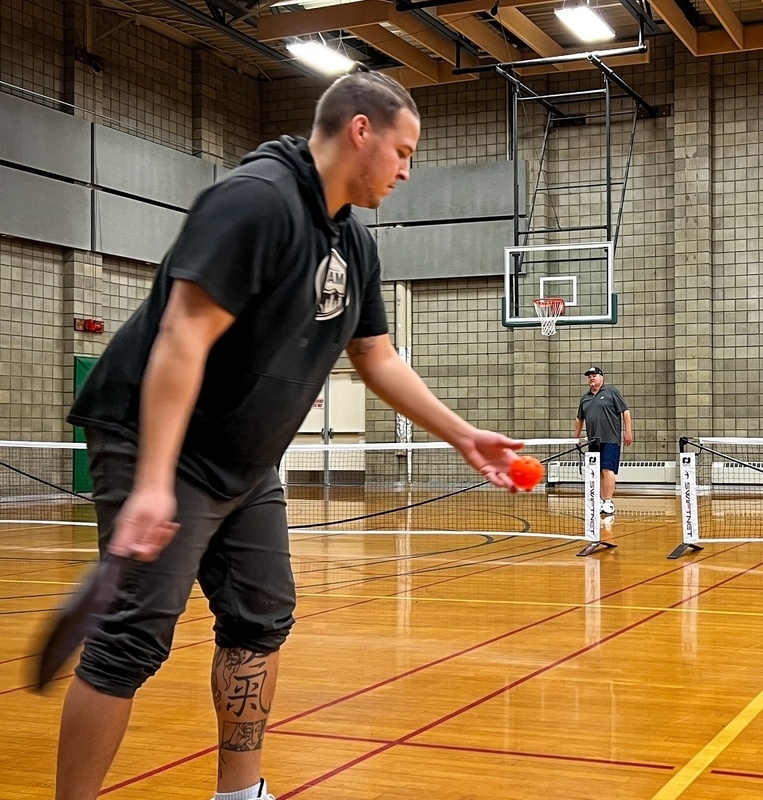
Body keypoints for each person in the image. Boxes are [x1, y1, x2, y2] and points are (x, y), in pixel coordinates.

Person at [57, 72, 522, 800]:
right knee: (129, 645)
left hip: (246, 460)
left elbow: (375, 355)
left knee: (260, 620)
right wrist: (151, 482)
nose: (406, 171)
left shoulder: (352, 243)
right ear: (360, 130)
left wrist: (463, 436)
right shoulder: (256, 202)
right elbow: (181, 338)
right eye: (403, 152)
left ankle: (240, 794)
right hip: (164, 445)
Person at [574, 366, 632, 516]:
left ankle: (608, 502)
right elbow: (579, 419)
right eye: (589, 376)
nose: (591, 378)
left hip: (610, 439)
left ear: (601, 378)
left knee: (607, 469)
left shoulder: (611, 392)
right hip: (593, 441)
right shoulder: (585, 398)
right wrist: (576, 437)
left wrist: (628, 432)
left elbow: (625, 411)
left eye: (594, 375)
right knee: (597, 471)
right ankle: (600, 500)